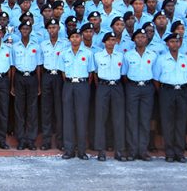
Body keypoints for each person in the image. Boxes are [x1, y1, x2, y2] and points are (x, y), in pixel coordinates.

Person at [153, 32, 187, 163]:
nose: (174, 44)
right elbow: (156, 79)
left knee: (181, 122)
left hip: (182, 91)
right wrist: (164, 91)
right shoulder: (161, 59)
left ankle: (179, 152)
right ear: (167, 44)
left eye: (176, 42)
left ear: (180, 43)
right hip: (167, 91)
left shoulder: (186, 59)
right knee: (167, 122)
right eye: (171, 42)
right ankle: (169, 152)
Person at [58, 24, 96, 160]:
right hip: (68, 85)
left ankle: (81, 150)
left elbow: (91, 74)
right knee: (68, 118)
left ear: (81, 38)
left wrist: (82, 84)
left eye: (77, 36)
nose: (75, 39)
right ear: (69, 39)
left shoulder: (88, 53)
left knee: (81, 117)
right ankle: (69, 150)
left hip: (82, 85)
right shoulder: (64, 54)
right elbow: (62, 73)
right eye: (72, 37)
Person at [122, 28, 157, 161]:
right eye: (138, 37)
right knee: (132, 119)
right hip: (133, 87)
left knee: (145, 119)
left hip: (147, 88)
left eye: (143, 37)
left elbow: (155, 74)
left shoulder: (152, 55)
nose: (141, 39)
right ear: (134, 40)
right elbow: (124, 75)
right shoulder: (128, 55)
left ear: (147, 39)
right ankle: (132, 150)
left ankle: (142, 150)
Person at [93, 32, 126, 161]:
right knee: (101, 118)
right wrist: (101, 85)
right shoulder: (97, 56)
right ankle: (101, 150)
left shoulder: (120, 56)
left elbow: (123, 74)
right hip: (103, 86)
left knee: (118, 119)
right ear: (104, 42)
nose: (111, 42)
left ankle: (119, 150)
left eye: (113, 40)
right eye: (109, 40)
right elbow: (94, 74)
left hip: (117, 86)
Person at [11, 20, 42, 150]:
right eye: (23, 29)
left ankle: (31, 139)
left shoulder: (36, 46)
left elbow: (39, 66)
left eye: (27, 29)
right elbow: (12, 67)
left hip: (32, 78)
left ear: (30, 31)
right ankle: (21, 139)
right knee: (19, 109)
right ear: (20, 31)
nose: (25, 31)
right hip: (19, 77)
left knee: (32, 110)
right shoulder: (15, 46)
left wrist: (39, 85)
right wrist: (12, 85)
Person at [40, 18, 67, 150]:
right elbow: (40, 64)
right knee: (46, 110)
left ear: (59, 28)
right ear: (47, 30)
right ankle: (46, 141)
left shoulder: (65, 44)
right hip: (46, 76)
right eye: (50, 28)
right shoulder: (43, 44)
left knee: (59, 110)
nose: (52, 30)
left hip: (59, 78)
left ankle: (60, 141)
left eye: (54, 27)